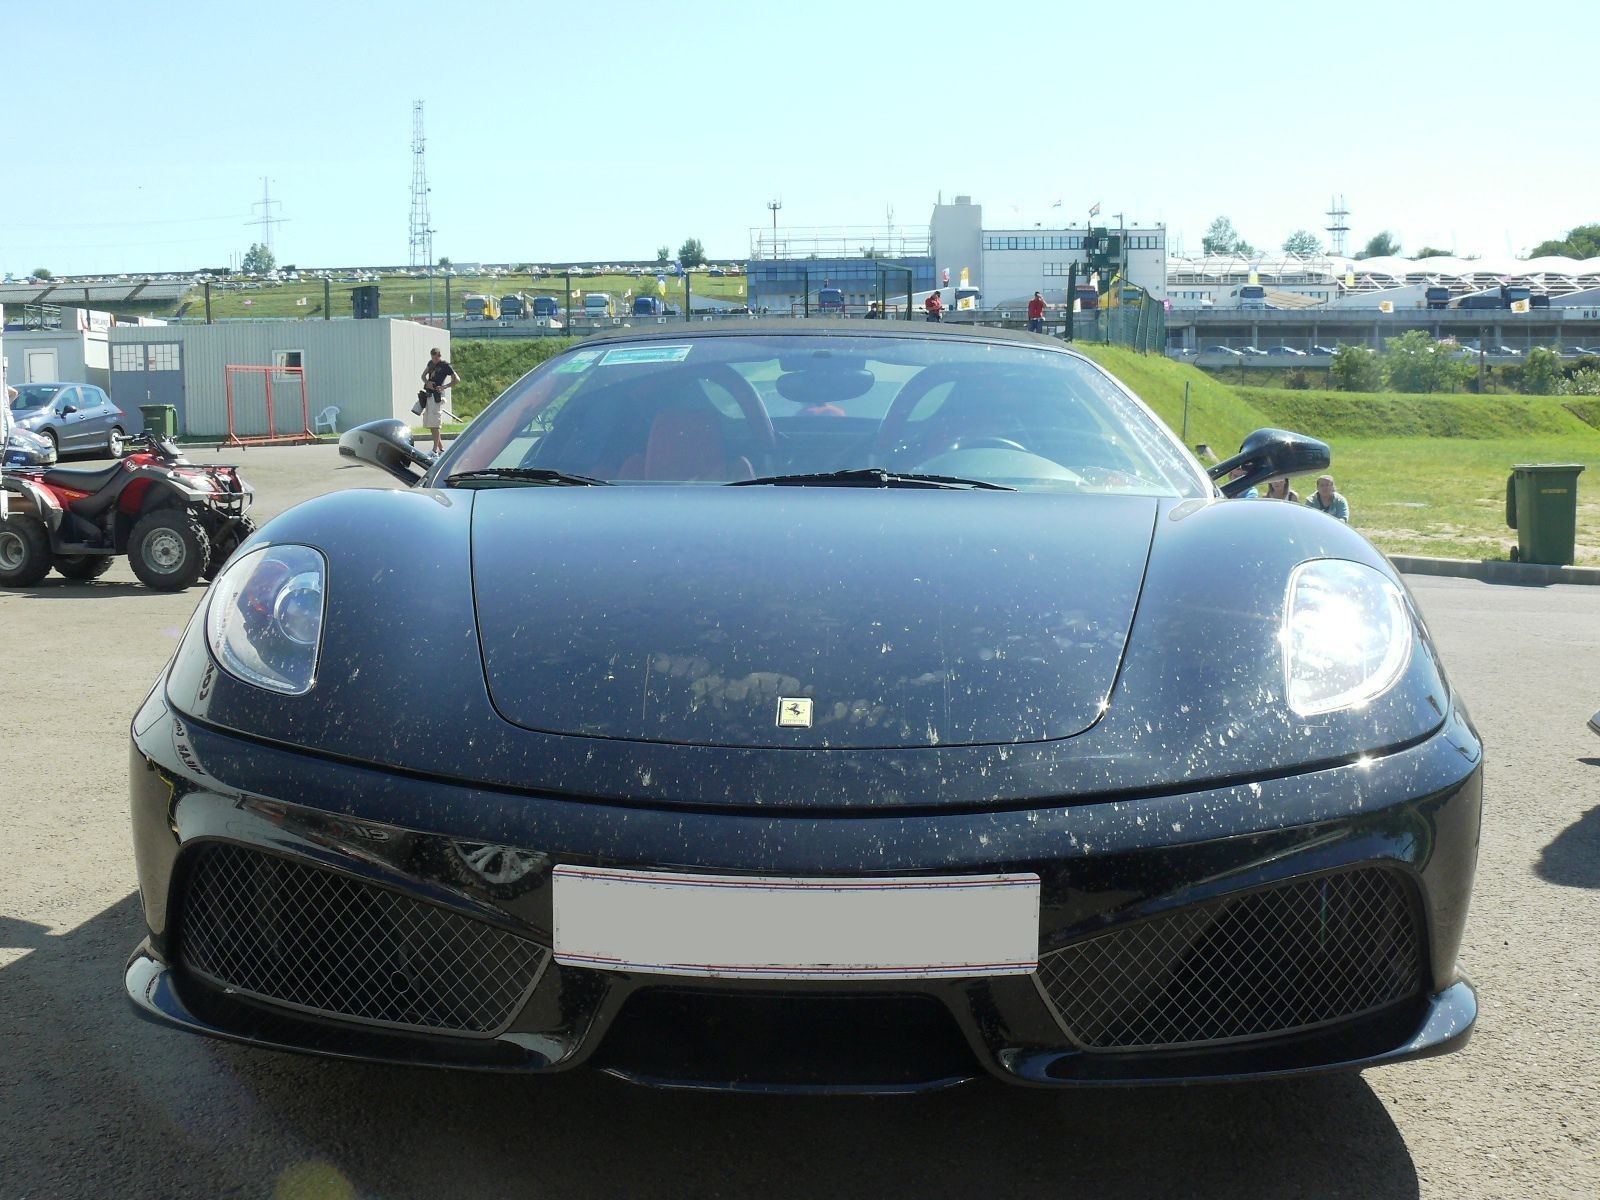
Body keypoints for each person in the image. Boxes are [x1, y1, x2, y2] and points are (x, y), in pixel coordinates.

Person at [419, 347, 460, 455]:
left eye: (435, 358)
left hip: (437, 396)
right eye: (432, 358)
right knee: (430, 423)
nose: (434, 360)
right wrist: (427, 382)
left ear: (439, 356)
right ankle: (441, 448)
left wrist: (444, 386)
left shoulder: (445, 365)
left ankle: (434, 450)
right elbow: (423, 376)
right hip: (429, 395)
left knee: (436, 423)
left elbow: (456, 379)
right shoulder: (430, 364)